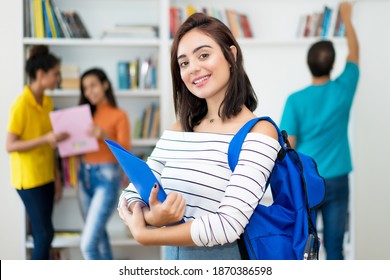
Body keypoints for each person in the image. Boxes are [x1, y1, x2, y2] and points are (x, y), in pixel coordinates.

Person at [117, 12, 280, 260]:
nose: (193, 68)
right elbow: (130, 193)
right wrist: (152, 216)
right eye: (184, 63)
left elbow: (228, 224)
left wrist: (146, 234)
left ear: (231, 56)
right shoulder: (179, 129)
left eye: (203, 55)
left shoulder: (259, 132)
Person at [280, 2, 359, 260]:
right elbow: (355, 54)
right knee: (334, 247)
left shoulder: (295, 100)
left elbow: (288, 147)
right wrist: (347, 19)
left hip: (308, 181)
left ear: (308, 63)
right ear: (332, 64)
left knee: (305, 246)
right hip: (338, 179)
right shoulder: (343, 89)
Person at [6, 45, 69, 259]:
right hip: (28, 179)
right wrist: (45, 139)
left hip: (46, 177)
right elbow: (10, 145)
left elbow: (51, 144)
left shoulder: (49, 102)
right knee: (44, 233)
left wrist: (58, 177)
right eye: (56, 74)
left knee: (43, 233)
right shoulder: (21, 105)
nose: (58, 79)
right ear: (41, 75)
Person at [77, 68, 131, 260]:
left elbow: (125, 150)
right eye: (85, 88)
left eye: (93, 85)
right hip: (84, 176)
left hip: (107, 177)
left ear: (105, 85)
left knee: (88, 244)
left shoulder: (119, 115)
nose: (89, 91)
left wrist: (104, 136)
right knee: (98, 238)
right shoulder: (84, 115)